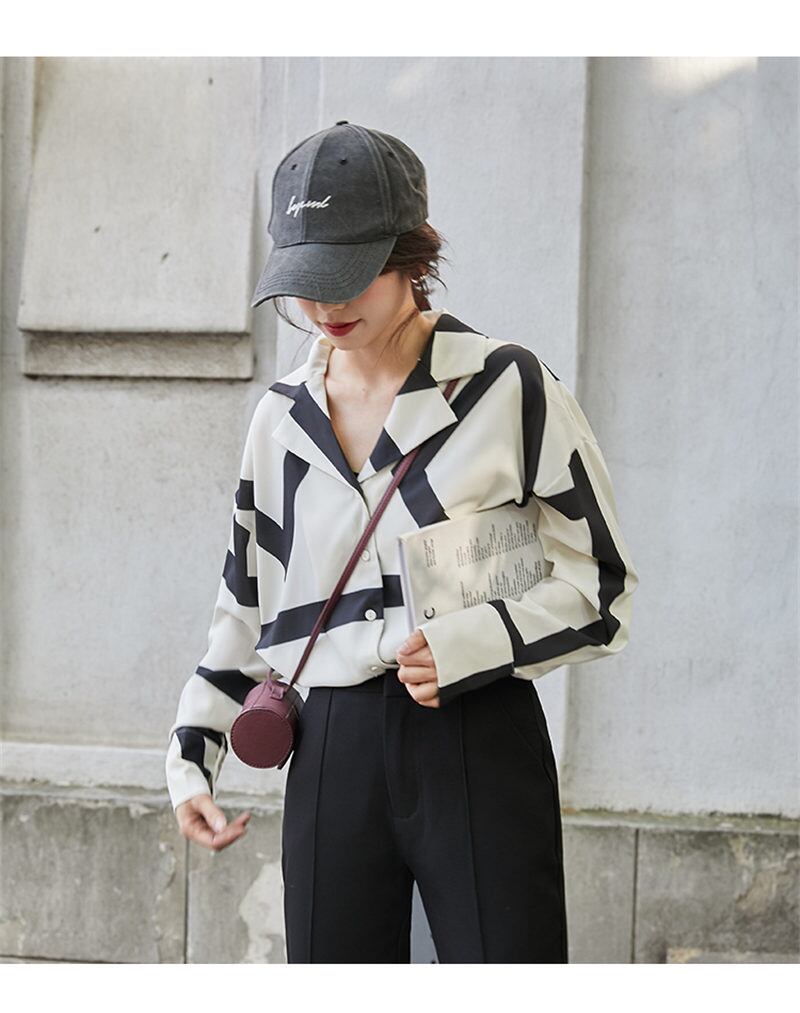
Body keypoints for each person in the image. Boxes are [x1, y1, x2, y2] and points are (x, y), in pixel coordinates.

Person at [165, 121, 639, 963]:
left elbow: (600, 583)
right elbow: (246, 601)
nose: (326, 307)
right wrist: (191, 756)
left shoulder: (505, 386)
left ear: (411, 255)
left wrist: (474, 642)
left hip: (476, 730)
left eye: (349, 275)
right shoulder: (281, 419)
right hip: (330, 743)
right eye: (306, 282)